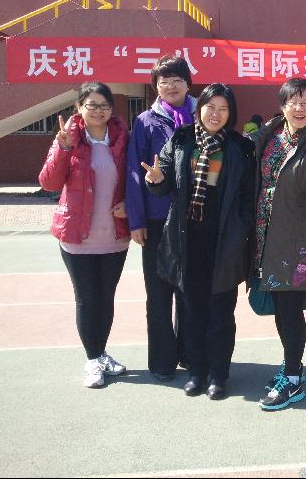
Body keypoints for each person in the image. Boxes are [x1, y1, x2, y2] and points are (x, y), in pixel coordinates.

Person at [143, 83, 255, 400]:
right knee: (191, 311)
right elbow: (164, 181)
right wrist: (156, 180)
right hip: (186, 240)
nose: (215, 114)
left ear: (231, 113)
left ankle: (218, 374)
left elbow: (249, 196)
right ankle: (196, 371)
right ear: (199, 109)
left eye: (223, 108)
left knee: (221, 313)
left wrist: (241, 229)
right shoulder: (182, 141)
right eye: (210, 107)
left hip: (224, 242)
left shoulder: (240, 148)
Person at [250, 79, 306, 411]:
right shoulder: (269, 136)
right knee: (280, 308)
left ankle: (293, 378)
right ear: (283, 105)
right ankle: (291, 365)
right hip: (265, 238)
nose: (299, 108)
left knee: (290, 309)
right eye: (293, 102)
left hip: (297, 241)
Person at [38, 82, 130, 388]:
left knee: (106, 298)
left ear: (111, 109)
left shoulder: (123, 138)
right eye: (92, 105)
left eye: (104, 105)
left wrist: (130, 205)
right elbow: (49, 183)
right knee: (87, 299)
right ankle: (92, 360)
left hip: (115, 237)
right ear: (79, 107)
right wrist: (63, 149)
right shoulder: (69, 138)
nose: (99, 111)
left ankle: (101, 353)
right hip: (77, 236)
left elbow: (133, 178)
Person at [125, 55, 194, 381]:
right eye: (164, 81)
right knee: (158, 293)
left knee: (189, 292)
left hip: (194, 218)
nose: (171, 86)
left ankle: (190, 354)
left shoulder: (204, 114)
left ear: (188, 83)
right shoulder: (145, 122)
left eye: (177, 79)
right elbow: (134, 172)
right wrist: (136, 220)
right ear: (156, 86)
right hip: (156, 220)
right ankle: (162, 361)